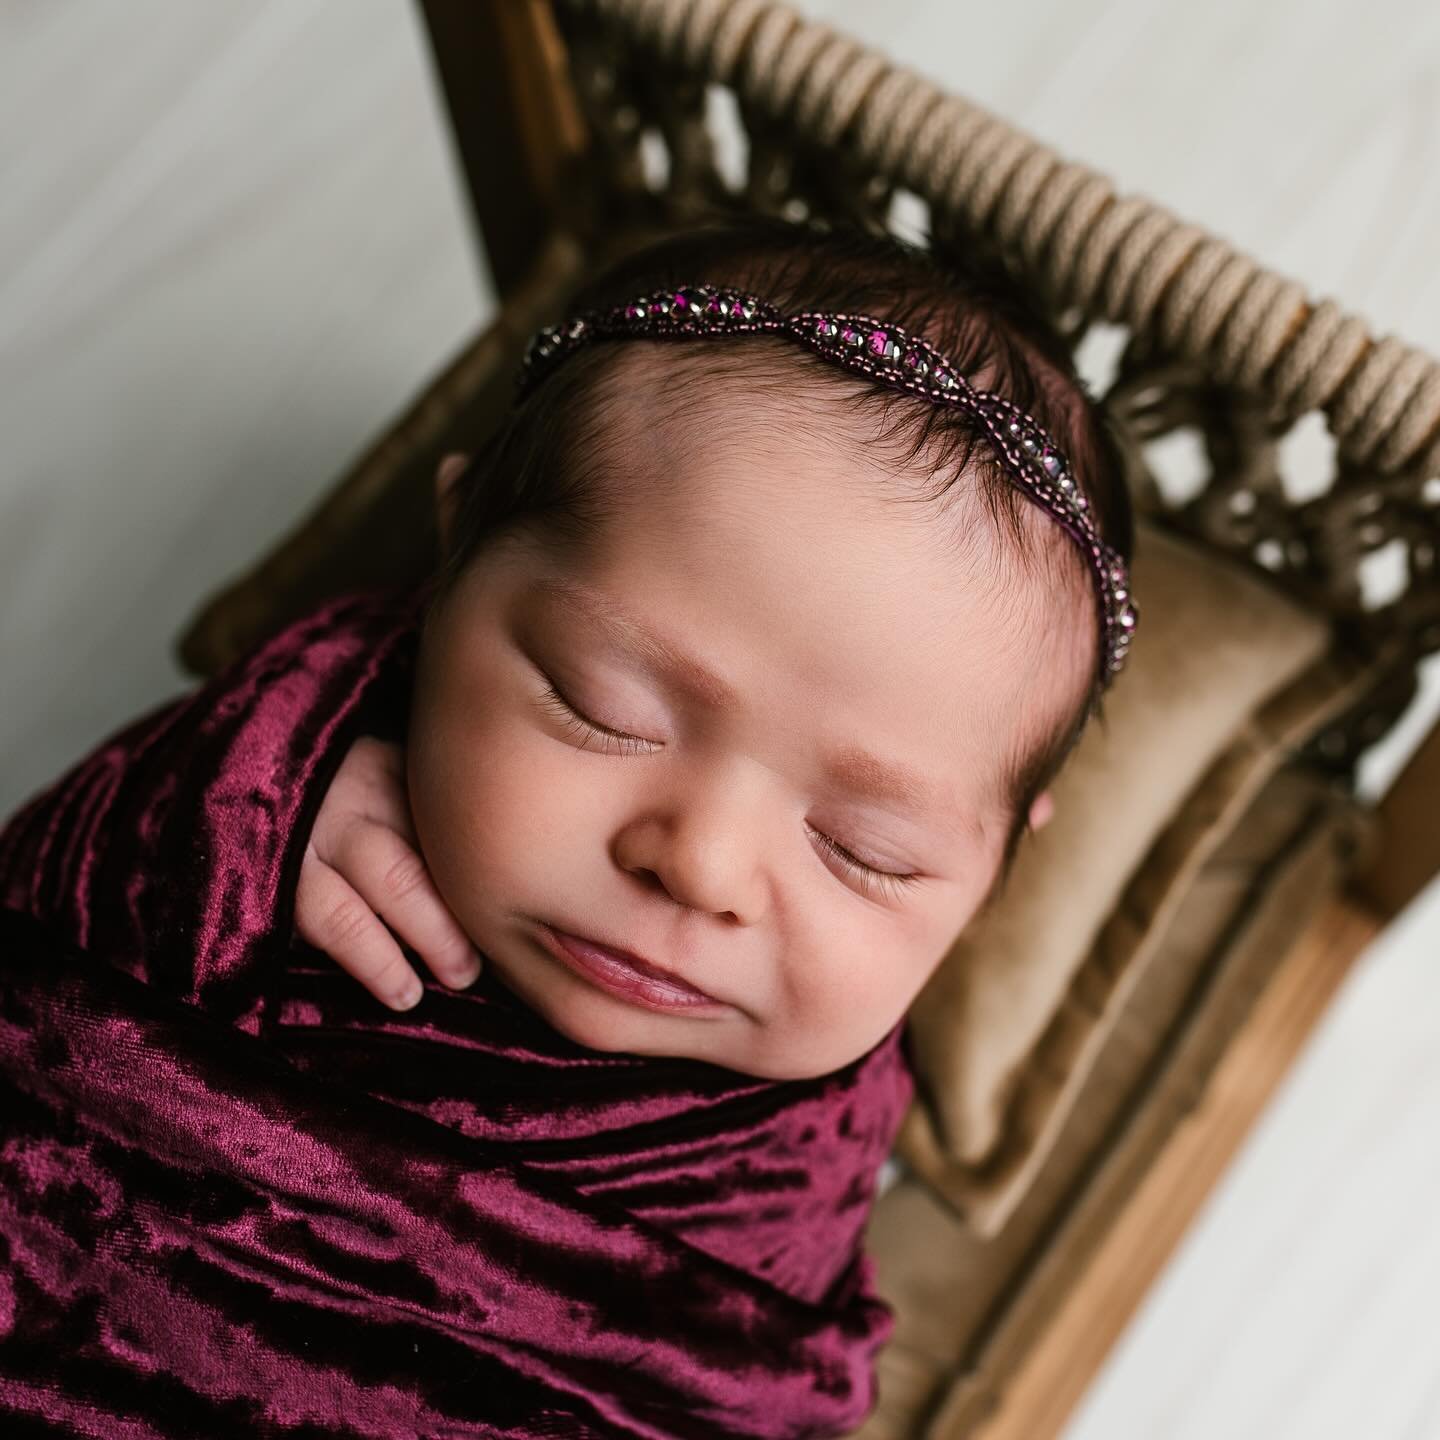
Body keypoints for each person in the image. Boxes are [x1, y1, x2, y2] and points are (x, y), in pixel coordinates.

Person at [0, 213, 1136, 1438]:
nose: (701, 867)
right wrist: (233, 795)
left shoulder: (803, 1158)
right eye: (604, 709)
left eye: (865, 849)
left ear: (999, 863)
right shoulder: (263, 814)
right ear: (451, 562)